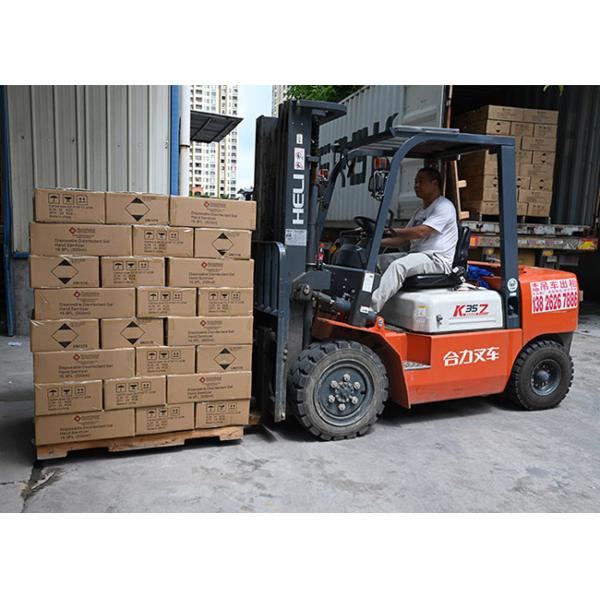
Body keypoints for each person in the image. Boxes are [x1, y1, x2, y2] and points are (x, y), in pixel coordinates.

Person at [370, 167, 458, 313]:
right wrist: (375, 241)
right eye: (415, 182)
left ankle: (369, 310)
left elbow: (421, 232)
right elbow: (401, 240)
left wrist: (390, 231)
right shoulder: (420, 211)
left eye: (421, 181)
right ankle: (364, 298)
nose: (416, 185)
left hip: (436, 260)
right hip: (418, 256)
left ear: (435, 184)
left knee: (398, 266)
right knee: (377, 261)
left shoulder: (444, 206)